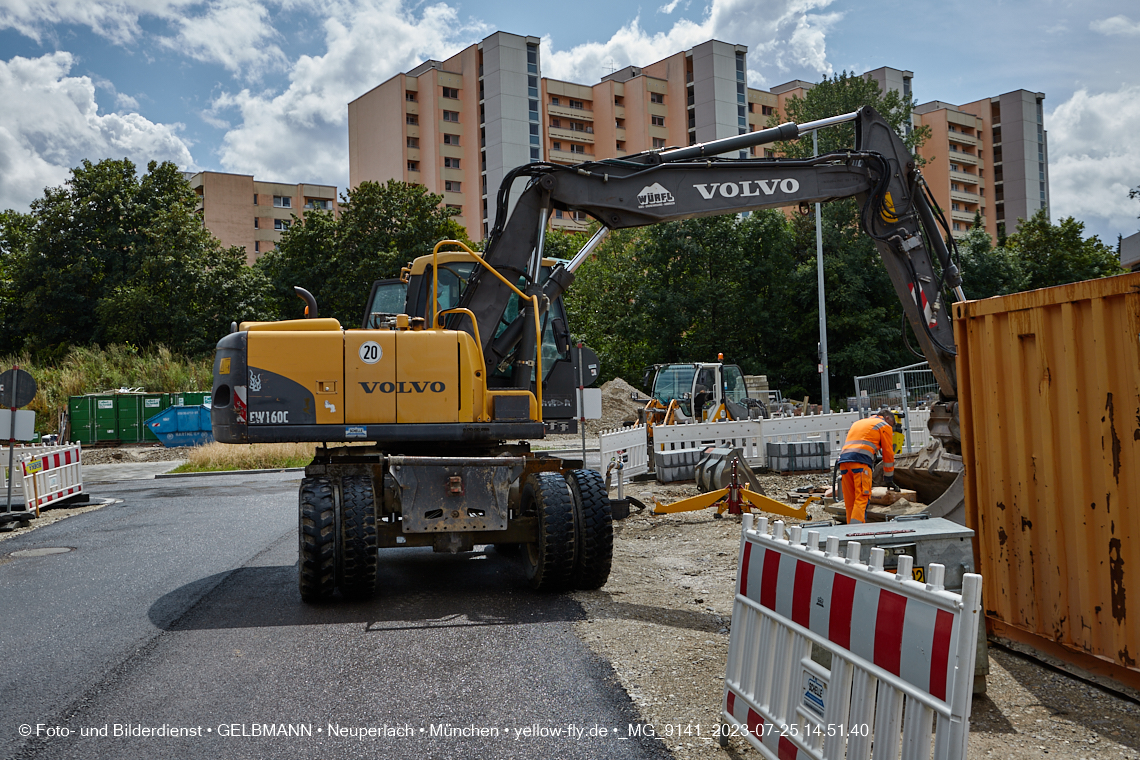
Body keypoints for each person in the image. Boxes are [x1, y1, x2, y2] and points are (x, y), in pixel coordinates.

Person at [837, 409, 899, 524]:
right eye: (892, 425)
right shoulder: (884, 425)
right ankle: (857, 532)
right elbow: (888, 454)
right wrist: (889, 478)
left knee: (850, 500)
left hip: (844, 463)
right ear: (887, 418)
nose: (891, 429)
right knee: (862, 497)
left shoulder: (859, 423)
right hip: (860, 463)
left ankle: (849, 532)